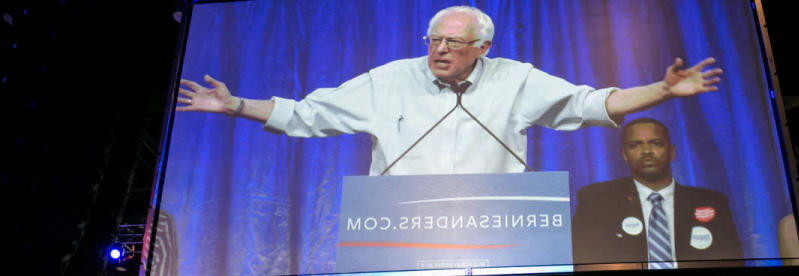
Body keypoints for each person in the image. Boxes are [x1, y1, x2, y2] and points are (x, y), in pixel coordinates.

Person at [176, 6, 721, 176]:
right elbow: (306, 114)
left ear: (481, 47)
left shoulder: (516, 78)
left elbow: (594, 103)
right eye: (433, 39)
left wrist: (664, 91)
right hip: (399, 232)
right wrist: (234, 105)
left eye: (453, 43)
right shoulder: (390, 79)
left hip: (497, 230)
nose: (439, 50)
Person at [572, 117, 743, 268]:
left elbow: (732, 264)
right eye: (635, 145)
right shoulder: (597, 200)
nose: (646, 151)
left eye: (656, 143)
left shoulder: (712, 202)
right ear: (625, 155)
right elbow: (583, 262)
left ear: (672, 152)